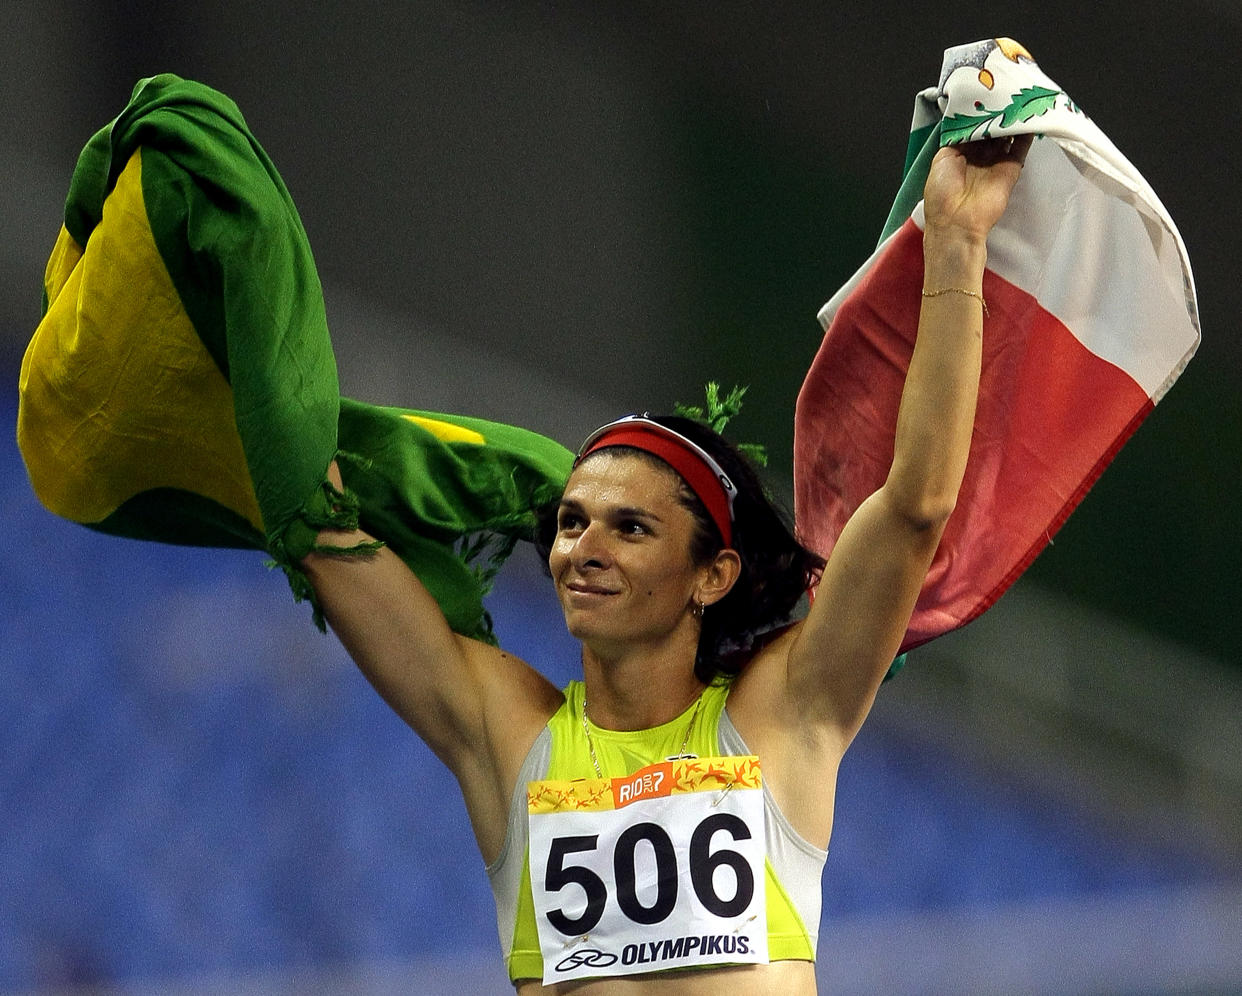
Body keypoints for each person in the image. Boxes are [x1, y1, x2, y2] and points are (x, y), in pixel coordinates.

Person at [300, 133, 1031, 993]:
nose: (583, 550)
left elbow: (915, 507)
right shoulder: (508, 734)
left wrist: (958, 238)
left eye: (630, 528)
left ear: (711, 575)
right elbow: (324, 533)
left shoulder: (782, 716)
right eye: (571, 523)